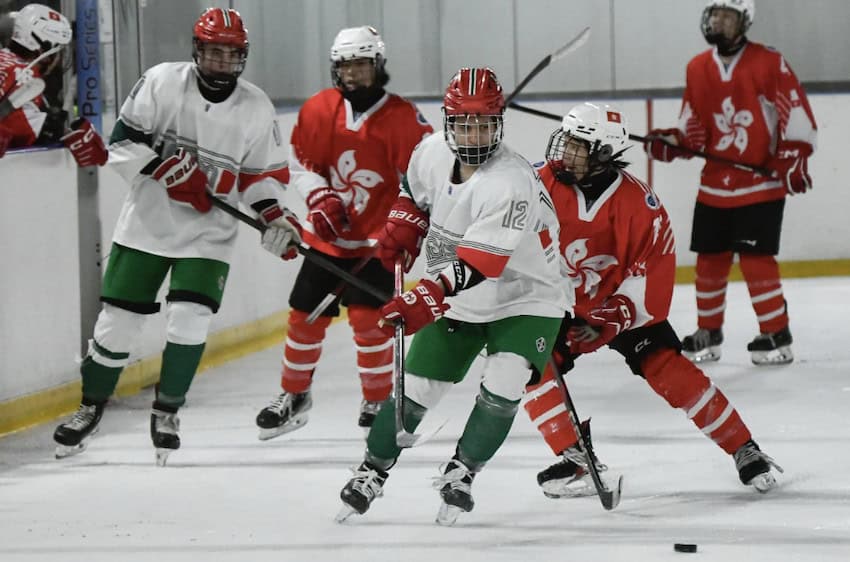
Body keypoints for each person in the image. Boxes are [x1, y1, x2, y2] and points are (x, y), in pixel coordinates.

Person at [52, 7, 300, 465]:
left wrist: (273, 217)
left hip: (210, 234)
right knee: (118, 325)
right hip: (148, 224)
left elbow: (261, 176)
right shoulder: (162, 81)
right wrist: (166, 171)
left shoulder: (256, 106)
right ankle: (90, 406)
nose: (222, 63)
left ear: (242, 57)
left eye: (231, 55)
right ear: (197, 51)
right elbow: (123, 141)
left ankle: (167, 412)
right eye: (214, 53)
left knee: (190, 319)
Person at [336, 67, 569, 526]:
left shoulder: (509, 182)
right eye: (464, 123)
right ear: (448, 122)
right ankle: (371, 471)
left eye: (485, 123)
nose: (475, 133)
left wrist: (426, 295)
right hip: (461, 294)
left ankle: (462, 473)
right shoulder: (431, 152)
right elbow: (413, 192)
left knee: (504, 383)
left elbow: (482, 264)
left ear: (499, 123)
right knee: (417, 389)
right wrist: (405, 224)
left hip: (529, 296)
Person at [523, 102, 783, 499]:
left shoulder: (640, 206)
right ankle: (574, 457)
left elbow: (652, 278)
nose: (565, 151)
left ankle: (743, 446)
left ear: (603, 155)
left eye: (578, 146)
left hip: (619, 306)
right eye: (568, 141)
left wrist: (612, 318)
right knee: (525, 362)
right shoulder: (537, 185)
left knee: (667, 367)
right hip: (558, 304)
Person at [254, 25, 432, 440]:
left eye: (362, 65)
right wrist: (318, 198)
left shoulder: (403, 118)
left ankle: (376, 399)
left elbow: (425, 180)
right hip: (328, 240)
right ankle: (294, 397)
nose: (353, 74)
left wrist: (405, 225)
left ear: (378, 66)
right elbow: (300, 165)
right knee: (303, 317)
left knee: (370, 322)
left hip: (379, 244)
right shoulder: (319, 109)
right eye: (345, 66)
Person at [644, 0, 817, 365]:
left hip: (759, 183)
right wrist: (670, 144)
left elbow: (795, 112)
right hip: (715, 186)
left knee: (756, 260)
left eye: (727, 16)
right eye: (715, 15)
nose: (719, 22)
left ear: (744, 22)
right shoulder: (697, 68)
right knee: (709, 261)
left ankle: (776, 333)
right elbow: (693, 132)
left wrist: (793, 156)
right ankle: (709, 331)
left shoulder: (768, 62)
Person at [0, 4, 106, 164]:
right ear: (43, 46)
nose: (59, 59)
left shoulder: (5, 59)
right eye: (58, 50)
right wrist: (65, 134)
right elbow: (30, 129)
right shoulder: (23, 74)